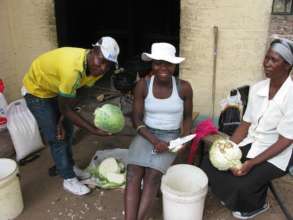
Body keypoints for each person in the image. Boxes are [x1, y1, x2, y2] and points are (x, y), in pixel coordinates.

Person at [201, 38, 293, 219]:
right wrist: (227, 147)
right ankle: (234, 194)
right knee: (210, 163)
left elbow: (285, 140)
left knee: (240, 183)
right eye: (266, 58)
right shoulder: (257, 88)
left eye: (274, 60)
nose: (267, 63)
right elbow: (245, 124)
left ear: (288, 65)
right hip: (252, 142)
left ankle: (256, 205)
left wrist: (252, 163)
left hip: (277, 153)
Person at [22, 36, 120, 196]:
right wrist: (93, 129)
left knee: (67, 129)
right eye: (101, 61)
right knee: (57, 136)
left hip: (55, 89)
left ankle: (69, 165)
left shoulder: (97, 70)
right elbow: (66, 108)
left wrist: (62, 120)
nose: (102, 68)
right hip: (37, 92)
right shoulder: (72, 70)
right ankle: (68, 179)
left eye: (108, 65)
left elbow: (79, 95)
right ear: (93, 51)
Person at [124, 42, 193, 220]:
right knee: (133, 173)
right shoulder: (142, 85)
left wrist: (183, 140)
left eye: (168, 63)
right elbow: (136, 119)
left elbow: (187, 118)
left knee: (153, 175)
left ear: (175, 65)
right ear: (152, 64)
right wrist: (155, 141)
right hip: (146, 134)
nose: (163, 68)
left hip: (171, 136)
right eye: (158, 63)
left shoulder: (184, 87)